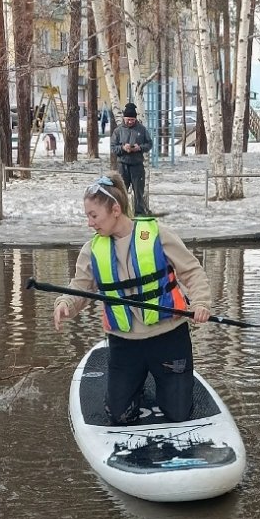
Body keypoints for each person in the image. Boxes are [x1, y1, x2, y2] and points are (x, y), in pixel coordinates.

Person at [53, 176, 211, 423]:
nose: (89, 223)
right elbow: (80, 287)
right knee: (120, 415)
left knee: (178, 413)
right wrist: (65, 304)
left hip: (169, 337)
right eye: (87, 216)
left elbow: (192, 271)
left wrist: (201, 303)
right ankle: (136, 383)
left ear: (115, 210)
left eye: (94, 215)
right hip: (125, 343)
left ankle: (164, 384)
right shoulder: (91, 250)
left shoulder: (158, 235)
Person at [113, 101, 153, 215]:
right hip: (122, 166)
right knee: (121, 192)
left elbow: (149, 144)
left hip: (137, 166)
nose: (130, 121)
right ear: (124, 118)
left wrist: (139, 148)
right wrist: (122, 148)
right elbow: (113, 147)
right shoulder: (118, 131)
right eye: (128, 119)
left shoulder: (142, 130)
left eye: (132, 119)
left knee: (138, 192)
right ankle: (121, 213)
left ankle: (139, 213)